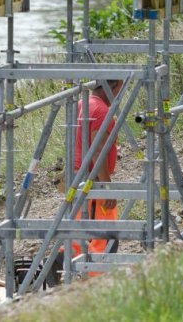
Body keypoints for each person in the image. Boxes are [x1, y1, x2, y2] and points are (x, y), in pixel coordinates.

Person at [71, 79, 123, 259]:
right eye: (119, 90)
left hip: (78, 178)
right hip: (94, 182)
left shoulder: (82, 104)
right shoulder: (101, 111)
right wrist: (107, 188)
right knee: (104, 238)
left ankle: (60, 266)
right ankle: (97, 273)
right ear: (112, 87)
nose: (118, 96)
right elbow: (98, 150)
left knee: (78, 237)